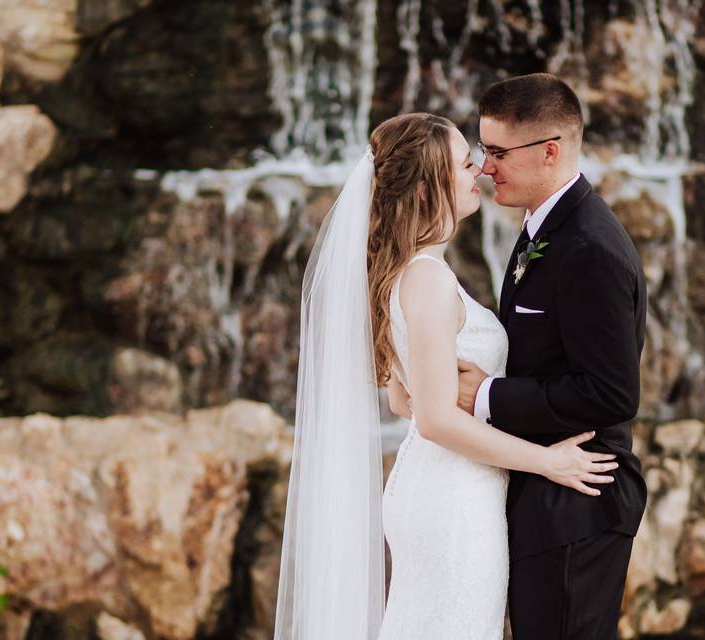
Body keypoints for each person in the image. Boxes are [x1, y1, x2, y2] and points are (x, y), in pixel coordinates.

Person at [273, 111, 619, 640]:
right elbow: (433, 419)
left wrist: (472, 391)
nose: (480, 169)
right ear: (423, 189)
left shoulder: (408, 272)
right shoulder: (427, 279)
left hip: (437, 486)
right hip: (455, 500)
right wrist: (550, 461)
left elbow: (401, 402)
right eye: (463, 164)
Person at [456, 73, 649, 640]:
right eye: (482, 149)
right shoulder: (547, 226)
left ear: (550, 151)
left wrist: (486, 395)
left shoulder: (589, 247)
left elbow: (612, 394)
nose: (485, 167)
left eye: (496, 152)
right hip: (546, 493)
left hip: (578, 501)